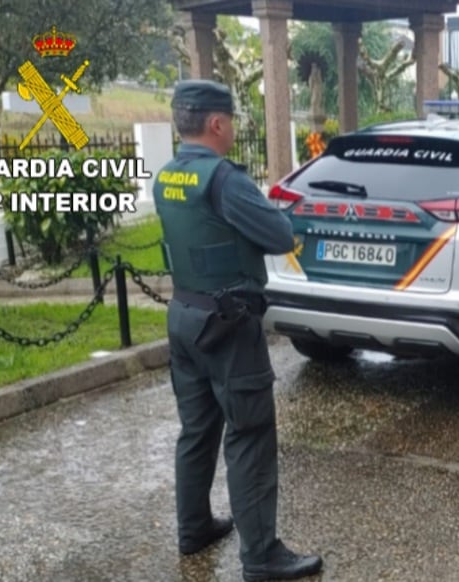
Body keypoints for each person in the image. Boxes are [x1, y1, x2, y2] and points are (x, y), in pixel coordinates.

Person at [153, 79, 323, 582]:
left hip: (184, 317)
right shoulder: (225, 180)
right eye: (231, 123)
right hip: (228, 326)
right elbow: (279, 235)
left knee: (197, 430)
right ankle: (262, 556)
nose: (233, 131)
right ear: (216, 123)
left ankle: (194, 528)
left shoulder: (167, 176)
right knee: (248, 435)